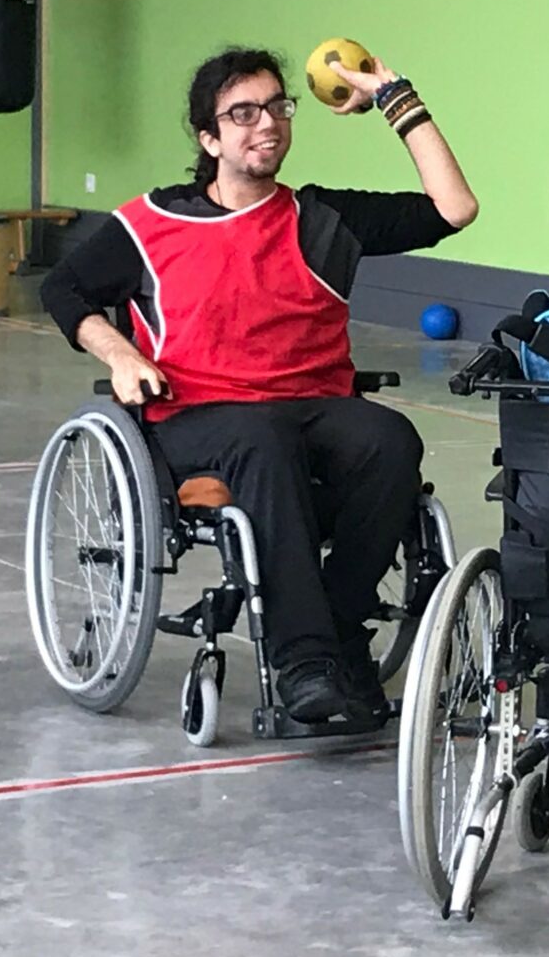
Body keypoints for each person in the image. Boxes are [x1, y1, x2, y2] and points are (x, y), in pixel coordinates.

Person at [40, 46, 479, 731]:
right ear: (209, 137)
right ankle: (303, 660)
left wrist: (396, 95)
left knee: (389, 438)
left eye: (277, 106)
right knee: (262, 435)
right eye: (242, 113)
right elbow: (62, 289)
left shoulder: (322, 218)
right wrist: (120, 353)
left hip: (312, 406)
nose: (266, 123)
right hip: (199, 416)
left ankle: (335, 630)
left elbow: (455, 208)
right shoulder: (151, 225)